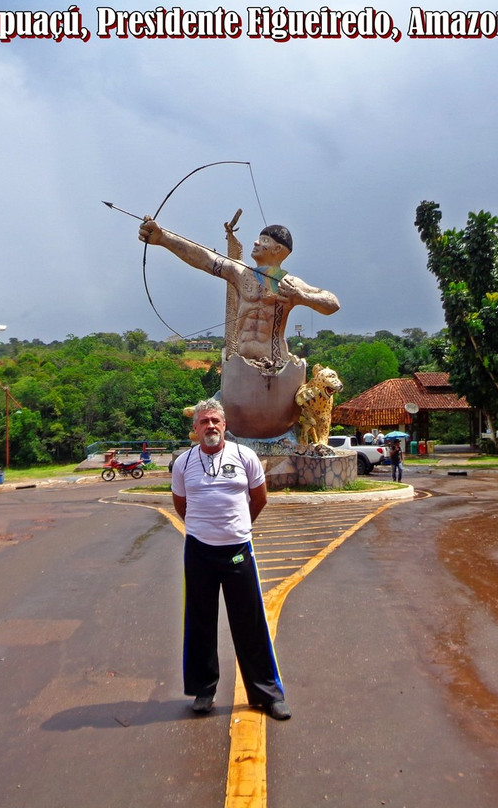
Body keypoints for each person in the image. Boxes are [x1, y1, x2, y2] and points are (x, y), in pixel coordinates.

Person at [170, 398, 291, 720]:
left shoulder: (244, 456)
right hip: (198, 550)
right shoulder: (183, 463)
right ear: (195, 429)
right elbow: (180, 504)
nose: (210, 426)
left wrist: (238, 527)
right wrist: (202, 527)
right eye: (204, 422)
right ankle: (203, 690)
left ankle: (267, 693)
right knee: (200, 622)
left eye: (215, 421)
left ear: (225, 426)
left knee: (249, 622)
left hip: (238, 550)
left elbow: (259, 498)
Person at [139, 218, 339, 368]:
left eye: (264, 240)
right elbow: (205, 258)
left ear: (277, 248)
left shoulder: (290, 284)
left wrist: (303, 297)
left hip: (275, 364)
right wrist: (163, 237)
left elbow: (332, 303)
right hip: (242, 364)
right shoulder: (240, 272)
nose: (256, 242)